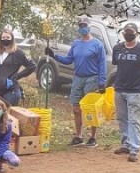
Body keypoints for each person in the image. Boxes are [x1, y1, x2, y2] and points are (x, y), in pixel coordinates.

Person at [44, 16, 107, 146]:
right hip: (78, 78)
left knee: (91, 109)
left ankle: (93, 137)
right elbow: (69, 59)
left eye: (85, 25)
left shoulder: (97, 44)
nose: (83, 28)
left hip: (92, 78)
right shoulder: (76, 43)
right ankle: (78, 135)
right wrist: (54, 56)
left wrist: (102, 82)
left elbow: (102, 64)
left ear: (89, 27)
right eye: (80, 26)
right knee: (76, 107)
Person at [112, 22, 140, 162]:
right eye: (126, 32)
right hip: (120, 89)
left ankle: (135, 149)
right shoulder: (118, 48)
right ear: (123, 34)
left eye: (131, 32)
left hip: (135, 90)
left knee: (134, 120)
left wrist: (138, 81)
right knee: (122, 119)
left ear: (136, 33)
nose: (128, 34)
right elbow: (117, 65)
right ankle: (126, 144)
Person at [0, 27, 36, 106]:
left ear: (12, 39)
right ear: (0, 39)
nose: (5, 39)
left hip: (11, 92)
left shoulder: (18, 52)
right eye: (3, 38)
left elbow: (32, 66)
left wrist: (16, 76)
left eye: (8, 37)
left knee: (7, 116)